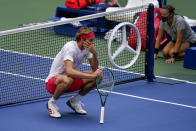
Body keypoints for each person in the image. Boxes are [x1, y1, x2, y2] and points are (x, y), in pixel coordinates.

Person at [45, 27, 103, 118]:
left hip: (71, 81)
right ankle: (51, 103)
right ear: (83, 39)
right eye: (91, 40)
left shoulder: (87, 49)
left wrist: (94, 53)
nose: (93, 43)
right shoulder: (70, 48)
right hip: (53, 84)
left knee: (98, 76)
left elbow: (95, 69)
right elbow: (69, 72)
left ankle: (74, 101)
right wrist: (91, 76)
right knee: (68, 78)